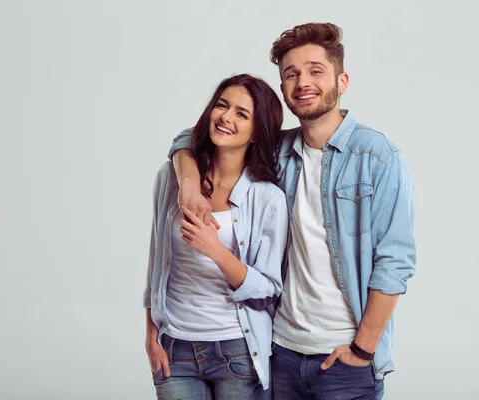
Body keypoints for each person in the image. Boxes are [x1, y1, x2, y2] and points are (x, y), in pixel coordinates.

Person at [167, 23, 416, 400]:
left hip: (344, 359)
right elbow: (197, 136)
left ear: (342, 80)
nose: (303, 82)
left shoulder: (378, 157)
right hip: (281, 352)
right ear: (283, 89)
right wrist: (187, 180)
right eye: (291, 74)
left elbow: (395, 262)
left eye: (316, 70)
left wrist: (363, 350)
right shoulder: (276, 151)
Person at [143, 73, 288, 399]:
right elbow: (155, 264)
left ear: (255, 133)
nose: (226, 117)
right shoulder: (172, 178)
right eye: (222, 106)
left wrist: (216, 251)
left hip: (237, 350)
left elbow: (267, 292)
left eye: (242, 113)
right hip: (175, 349)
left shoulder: (267, 199)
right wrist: (151, 337)